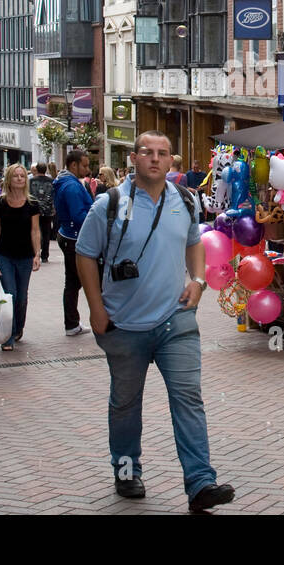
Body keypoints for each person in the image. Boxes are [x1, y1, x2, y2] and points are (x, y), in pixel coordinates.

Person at [76, 130, 234, 512]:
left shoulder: (185, 198)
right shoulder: (108, 204)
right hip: (124, 325)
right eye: (147, 152)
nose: (155, 159)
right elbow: (84, 254)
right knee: (126, 403)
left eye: (163, 153)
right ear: (133, 158)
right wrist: (96, 308)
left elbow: (194, 242)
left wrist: (197, 282)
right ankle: (127, 471)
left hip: (175, 321)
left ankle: (200, 483)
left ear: (170, 160)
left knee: (188, 398)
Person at [0, 164, 41, 351]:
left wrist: (37, 253)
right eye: (16, 176)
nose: (19, 179)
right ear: (9, 179)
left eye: (22, 176)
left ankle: (19, 327)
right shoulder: (0, 203)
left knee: (22, 297)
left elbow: (35, 230)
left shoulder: (32, 203)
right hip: (4, 254)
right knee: (10, 294)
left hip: (25, 255)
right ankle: (8, 336)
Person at [53, 150, 94, 337]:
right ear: (73, 165)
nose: (87, 169)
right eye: (84, 165)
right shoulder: (72, 187)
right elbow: (79, 216)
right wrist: (98, 218)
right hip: (74, 238)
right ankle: (72, 323)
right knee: (78, 282)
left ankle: (72, 323)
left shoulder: (69, 183)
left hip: (69, 236)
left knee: (73, 282)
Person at [29, 163, 55, 263]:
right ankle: (45, 254)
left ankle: (35, 252)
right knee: (46, 231)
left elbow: (29, 194)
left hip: (34, 209)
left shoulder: (31, 181)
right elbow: (53, 195)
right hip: (47, 210)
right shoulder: (51, 181)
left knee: (34, 230)